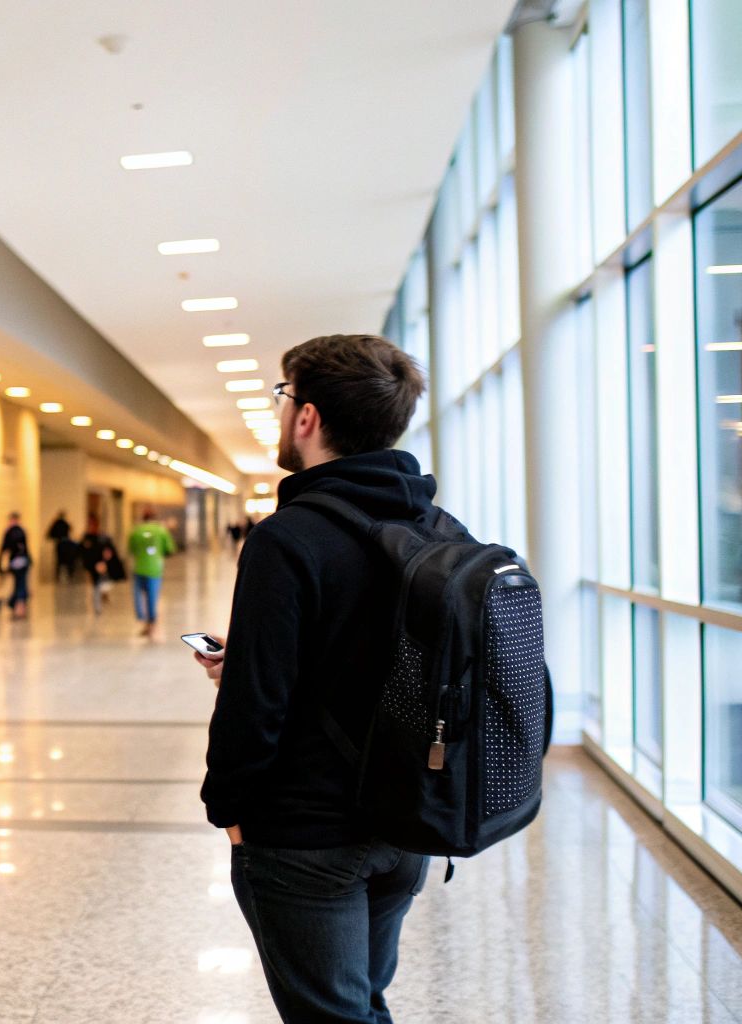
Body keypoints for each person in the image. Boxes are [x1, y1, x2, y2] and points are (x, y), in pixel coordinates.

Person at [194, 333, 431, 1023]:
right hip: (406, 825)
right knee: (361, 1002)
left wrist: (229, 813)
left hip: (307, 837)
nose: (280, 412)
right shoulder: (430, 525)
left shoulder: (286, 539)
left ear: (307, 417)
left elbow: (255, 708)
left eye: (283, 397)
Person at [126, 507, 177, 640]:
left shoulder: (136, 531)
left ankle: (144, 621)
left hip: (139, 567)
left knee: (138, 596)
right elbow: (170, 549)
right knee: (152, 597)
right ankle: (151, 624)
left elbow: (131, 549)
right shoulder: (161, 531)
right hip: (154, 569)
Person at [79, 519, 120, 614]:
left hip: (101, 564)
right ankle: (98, 604)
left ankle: (100, 602)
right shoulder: (87, 537)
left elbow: (109, 550)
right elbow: (82, 551)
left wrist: (105, 560)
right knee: (96, 584)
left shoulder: (103, 537)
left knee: (99, 583)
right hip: (91, 565)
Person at [0, 512, 31, 618]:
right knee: (21, 584)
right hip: (22, 561)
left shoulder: (10, 532)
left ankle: (17, 607)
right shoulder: (22, 531)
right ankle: (18, 606)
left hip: (16, 562)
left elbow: (3, 549)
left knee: (19, 584)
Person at [47, 510, 76, 582]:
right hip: (64, 543)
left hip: (60, 543)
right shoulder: (64, 523)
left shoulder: (57, 523)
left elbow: (50, 534)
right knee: (66, 560)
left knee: (60, 561)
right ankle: (68, 575)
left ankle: (60, 576)